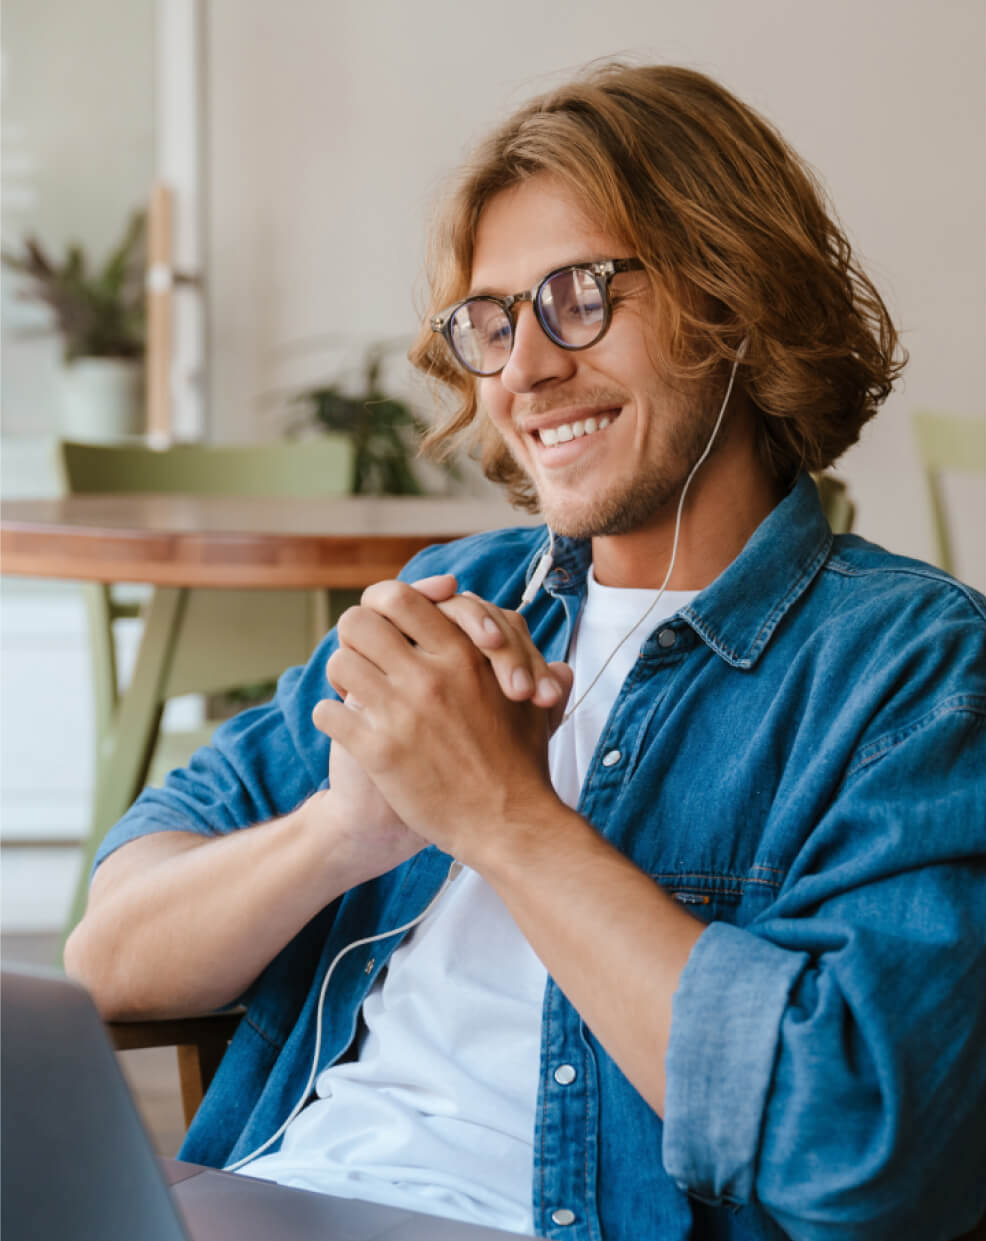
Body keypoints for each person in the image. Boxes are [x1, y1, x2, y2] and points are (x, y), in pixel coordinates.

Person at [64, 63, 985, 1241]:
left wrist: (500, 813)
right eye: (494, 321)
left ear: (735, 295)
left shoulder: (907, 671)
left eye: (581, 296)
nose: (525, 369)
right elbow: (110, 952)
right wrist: (344, 832)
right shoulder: (454, 603)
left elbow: (862, 1147)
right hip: (273, 1193)